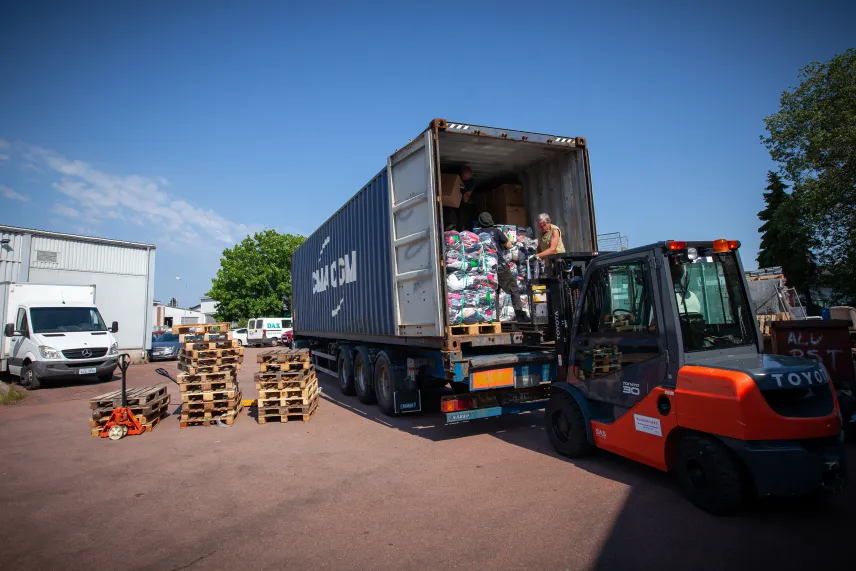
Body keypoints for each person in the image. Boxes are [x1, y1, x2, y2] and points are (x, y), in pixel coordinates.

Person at [478, 212, 528, 322]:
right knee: (513, 288)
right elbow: (509, 245)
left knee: (493, 292)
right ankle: (519, 314)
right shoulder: (497, 231)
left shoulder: (478, 234)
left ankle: (493, 318)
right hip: (499, 266)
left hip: (486, 270)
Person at [457, 166, 476, 231]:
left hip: (467, 205)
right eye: (463, 176)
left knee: (464, 219)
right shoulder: (457, 178)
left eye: (466, 177)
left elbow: (465, 199)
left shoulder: (471, 183)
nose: (464, 178)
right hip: (458, 204)